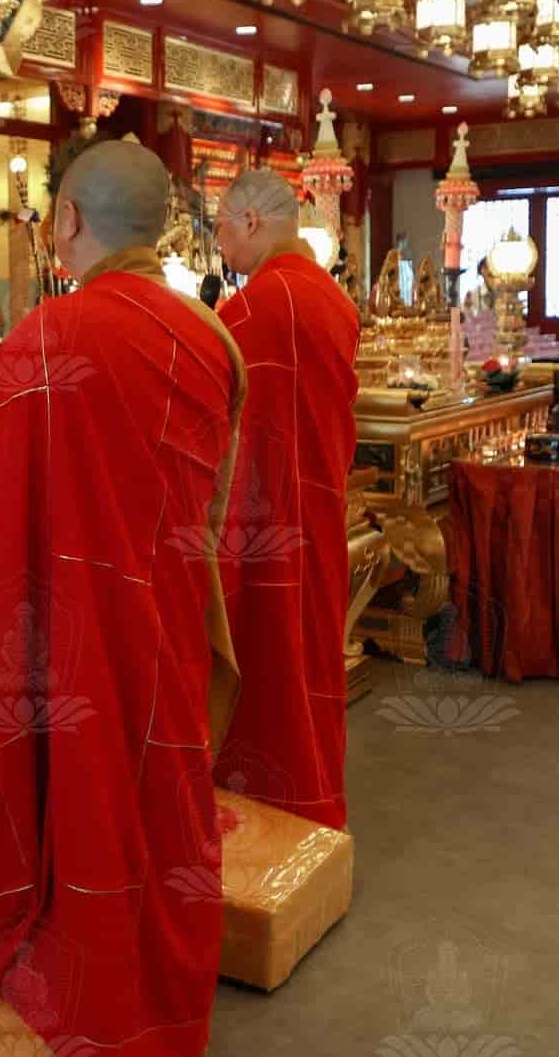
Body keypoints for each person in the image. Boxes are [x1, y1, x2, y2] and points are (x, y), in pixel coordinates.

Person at [0, 140, 244, 1056]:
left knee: (79, 807)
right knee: (166, 813)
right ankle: (171, 1002)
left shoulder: (42, 344)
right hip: (168, 619)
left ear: (64, 224)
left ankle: (91, 1010)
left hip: (68, 639)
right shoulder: (209, 335)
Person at [208, 170, 361, 830]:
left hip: (255, 526)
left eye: (219, 227)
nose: (219, 245)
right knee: (313, 660)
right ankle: (317, 802)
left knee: (264, 667)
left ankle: (266, 818)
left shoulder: (247, 310)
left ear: (248, 221)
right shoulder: (334, 299)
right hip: (320, 508)